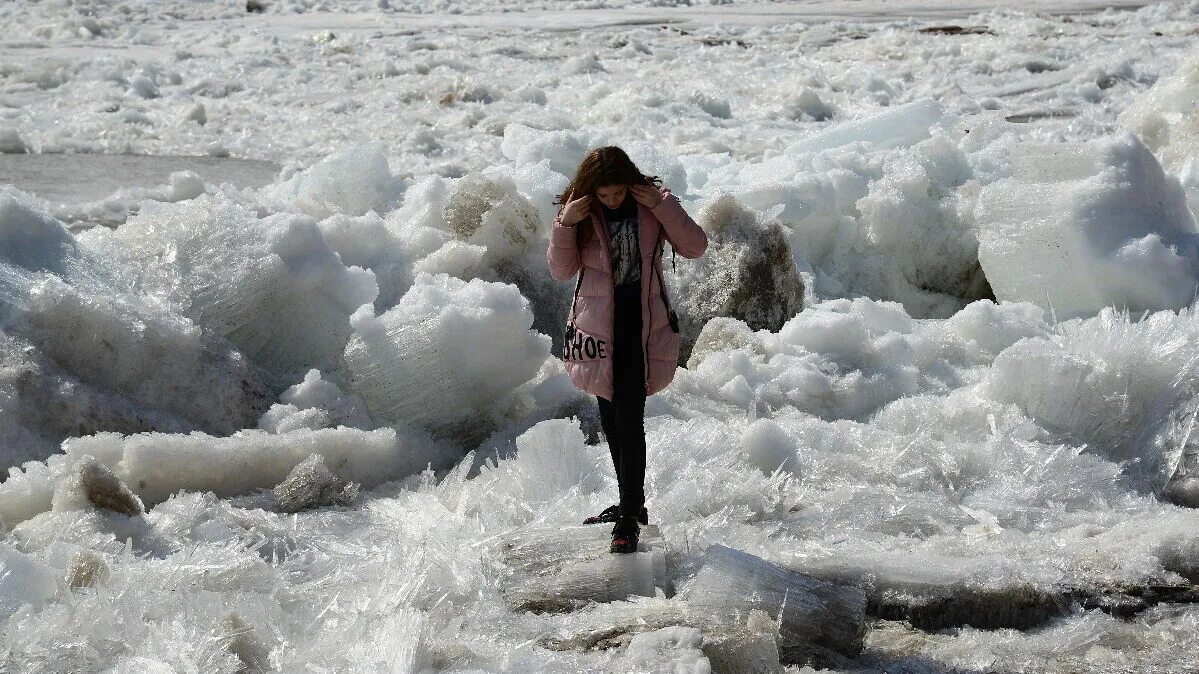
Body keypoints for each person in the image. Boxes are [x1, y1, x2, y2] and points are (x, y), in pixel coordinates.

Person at [546, 146, 708, 553]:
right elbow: (561, 271)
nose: (612, 201)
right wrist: (565, 224)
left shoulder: (650, 204)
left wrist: (665, 206)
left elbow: (695, 246)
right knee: (612, 420)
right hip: (598, 330)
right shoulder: (580, 213)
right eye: (604, 195)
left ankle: (630, 518)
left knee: (629, 417)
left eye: (617, 193)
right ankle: (629, 504)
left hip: (642, 326)